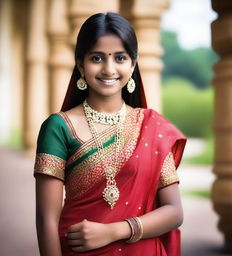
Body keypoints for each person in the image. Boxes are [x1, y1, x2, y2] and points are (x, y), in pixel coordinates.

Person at [34, 12, 186, 256]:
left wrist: (116, 231)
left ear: (133, 65)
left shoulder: (151, 126)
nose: (109, 69)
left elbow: (174, 211)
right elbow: (46, 220)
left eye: (120, 58)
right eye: (97, 58)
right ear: (81, 65)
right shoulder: (58, 127)